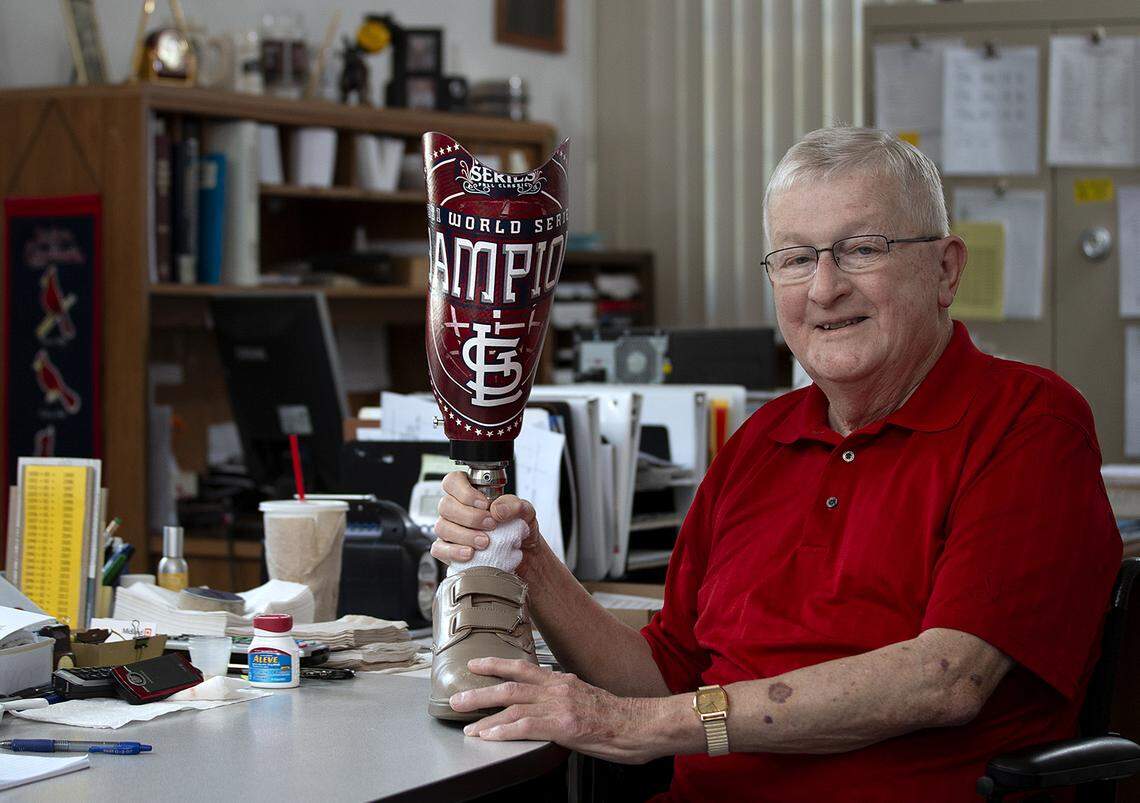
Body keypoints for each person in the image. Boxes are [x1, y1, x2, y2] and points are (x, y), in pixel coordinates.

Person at [429, 127, 1122, 801]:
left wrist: (639, 726)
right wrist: (528, 561)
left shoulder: (1029, 421)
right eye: (794, 258)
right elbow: (665, 674)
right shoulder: (760, 443)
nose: (824, 288)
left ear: (945, 269)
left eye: (861, 249)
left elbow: (945, 677)